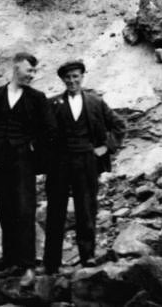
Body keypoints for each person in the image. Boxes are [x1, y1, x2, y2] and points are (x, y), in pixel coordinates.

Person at [42, 59, 125, 273]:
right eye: (67, 78)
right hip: (59, 163)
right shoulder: (52, 104)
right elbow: (41, 134)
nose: (72, 81)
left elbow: (119, 125)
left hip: (87, 161)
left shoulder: (95, 102)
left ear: (82, 77)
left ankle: (87, 257)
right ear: (62, 80)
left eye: (75, 76)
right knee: (55, 210)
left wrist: (106, 147)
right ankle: (51, 262)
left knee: (86, 208)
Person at [0, 51, 54, 284]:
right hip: (1, 162)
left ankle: (28, 266)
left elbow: (49, 130)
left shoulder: (37, 98)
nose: (32, 75)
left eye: (34, 71)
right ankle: (9, 264)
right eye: (29, 70)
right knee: (5, 211)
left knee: (24, 211)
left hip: (24, 162)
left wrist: (32, 149)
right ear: (16, 67)